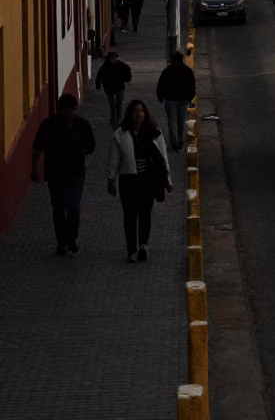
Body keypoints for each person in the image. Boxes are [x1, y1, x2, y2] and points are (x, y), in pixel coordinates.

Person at [107, 99, 172, 263]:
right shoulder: (120, 134)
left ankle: (143, 244)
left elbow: (163, 157)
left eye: (141, 111)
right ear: (130, 114)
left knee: (145, 213)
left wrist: (167, 180)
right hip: (128, 179)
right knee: (129, 215)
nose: (138, 114)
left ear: (145, 113)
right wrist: (111, 179)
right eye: (135, 111)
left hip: (147, 180)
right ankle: (131, 250)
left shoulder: (154, 133)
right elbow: (114, 159)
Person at [32, 93, 96, 256]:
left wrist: (84, 151)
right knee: (59, 209)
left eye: (72, 110)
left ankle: (71, 238)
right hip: (55, 173)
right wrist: (35, 168)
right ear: (60, 110)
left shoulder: (83, 125)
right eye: (66, 111)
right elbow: (37, 146)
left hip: (76, 173)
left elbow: (91, 145)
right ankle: (61, 242)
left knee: (73, 207)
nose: (69, 114)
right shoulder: (49, 124)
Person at [156, 52, 196, 151]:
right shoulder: (187, 70)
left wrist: (161, 97)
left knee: (172, 123)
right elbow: (192, 85)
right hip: (183, 100)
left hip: (170, 100)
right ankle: (180, 142)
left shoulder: (167, 71)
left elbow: (160, 85)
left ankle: (174, 144)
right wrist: (189, 98)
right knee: (181, 123)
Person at [95, 50, 132, 128]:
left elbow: (128, 70)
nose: (114, 59)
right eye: (113, 58)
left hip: (119, 87)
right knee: (112, 105)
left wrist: (127, 79)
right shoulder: (105, 67)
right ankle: (113, 120)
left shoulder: (121, 65)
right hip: (109, 88)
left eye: (115, 58)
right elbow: (99, 76)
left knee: (119, 104)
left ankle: (118, 119)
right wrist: (98, 85)